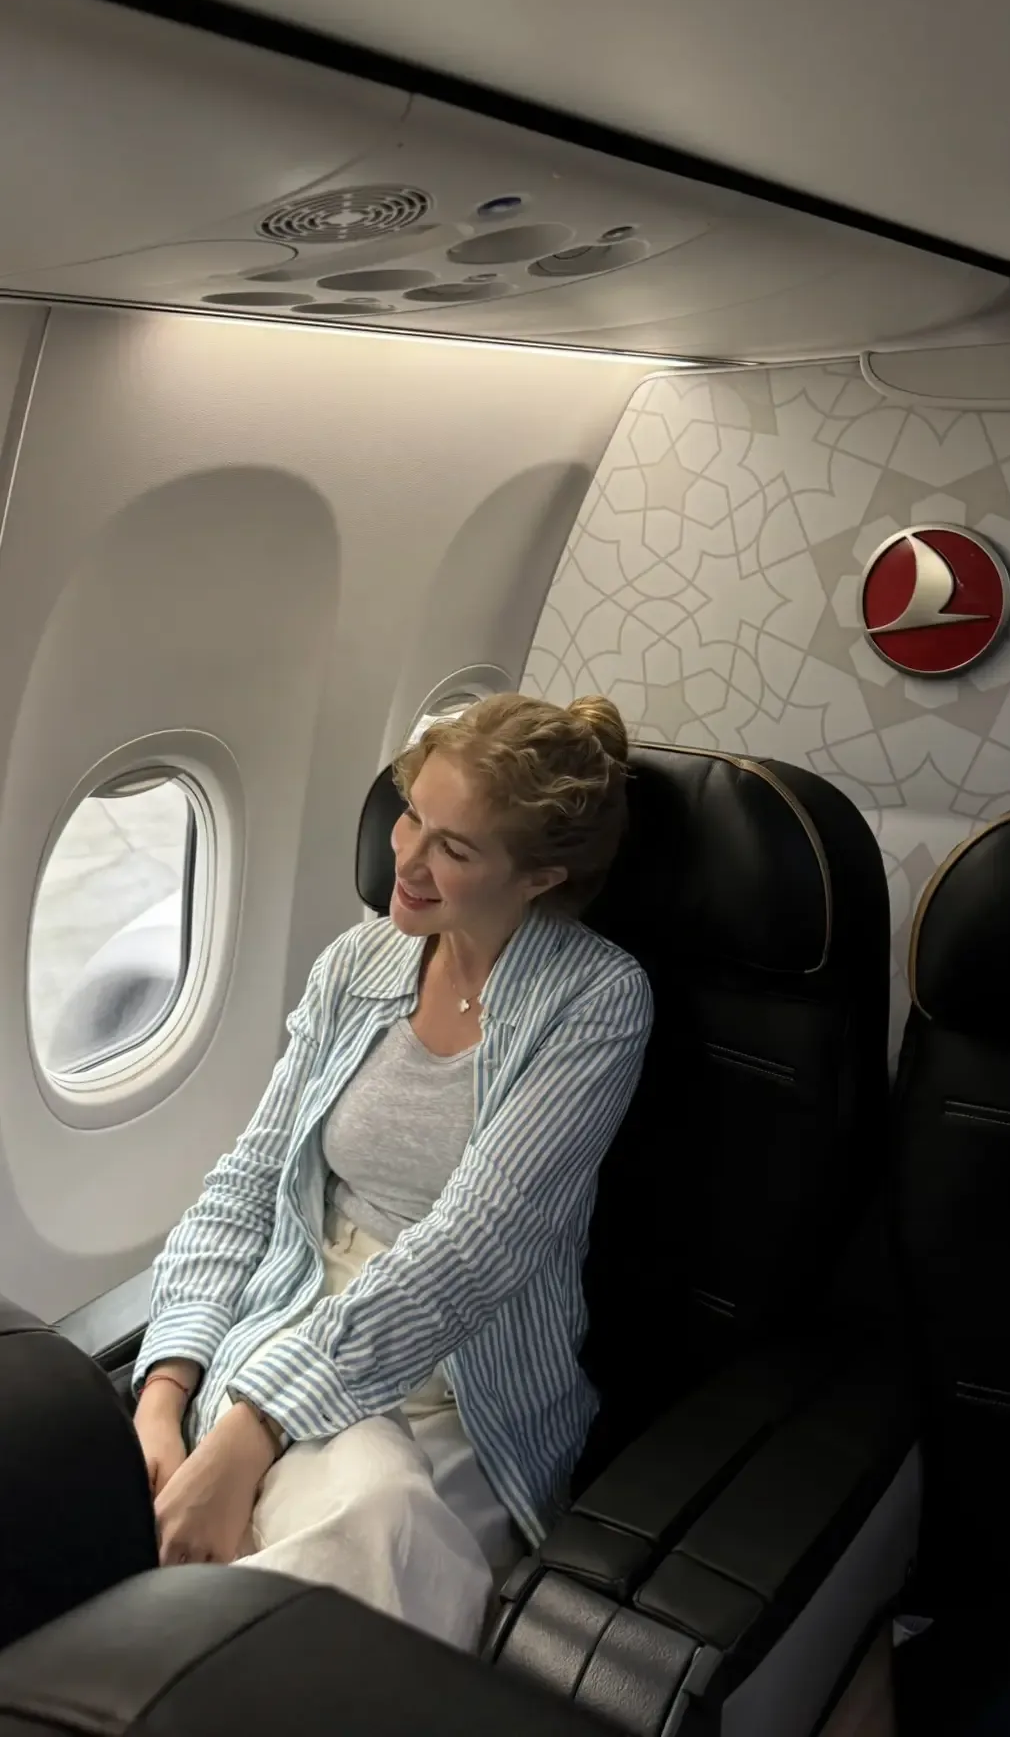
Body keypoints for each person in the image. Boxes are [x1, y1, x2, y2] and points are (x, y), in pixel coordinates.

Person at [132, 692, 652, 1651]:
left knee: (380, 1522)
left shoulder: (598, 1000)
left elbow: (473, 1250)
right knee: (343, 1531)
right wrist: (164, 1390)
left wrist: (253, 1427)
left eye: (455, 848)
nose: (405, 859)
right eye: (412, 815)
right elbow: (248, 1183)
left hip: (458, 1374)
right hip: (288, 1311)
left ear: (540, 876)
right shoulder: (357, 962)